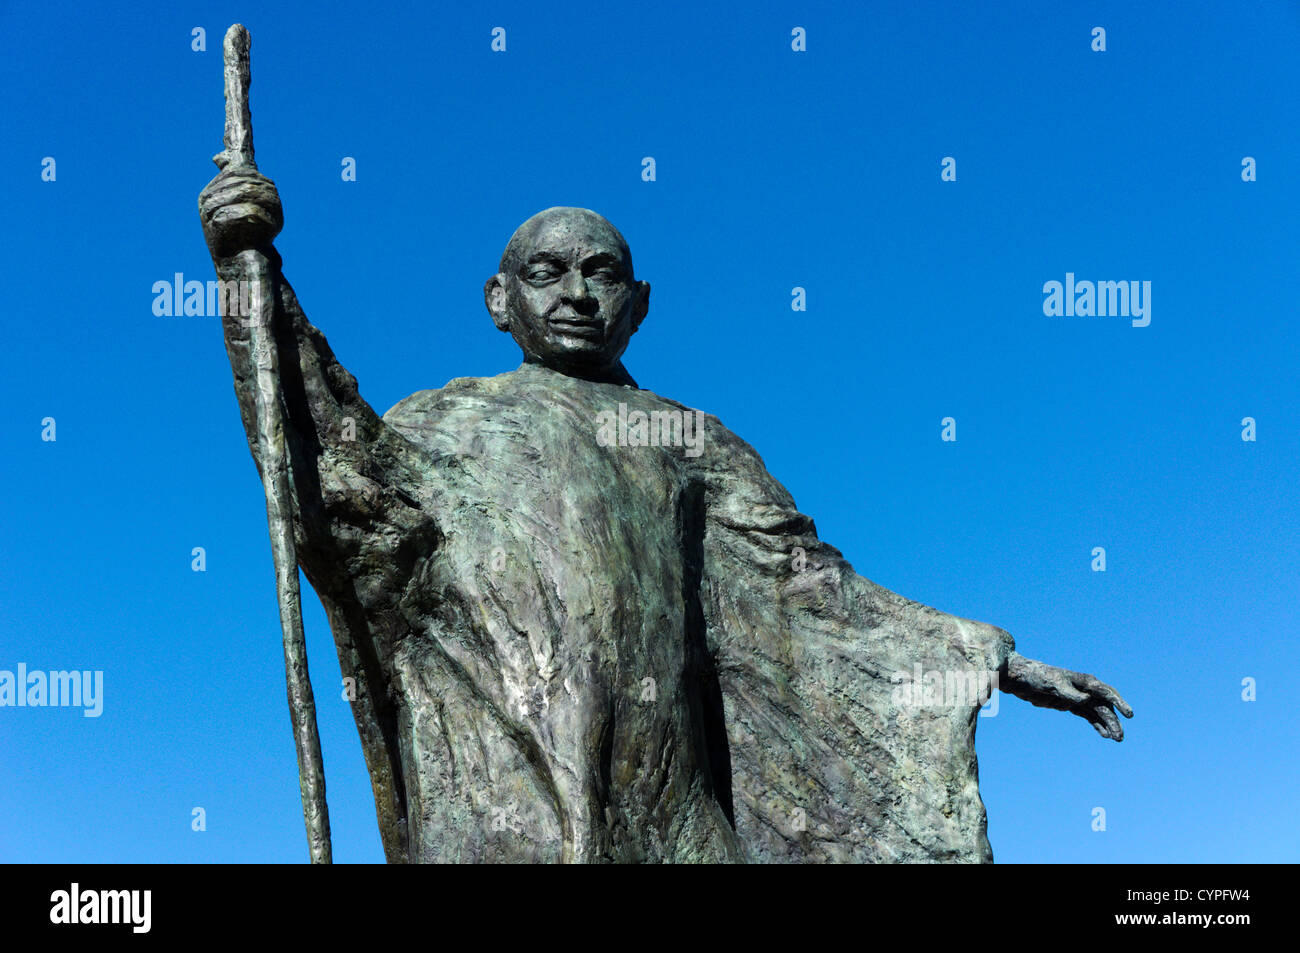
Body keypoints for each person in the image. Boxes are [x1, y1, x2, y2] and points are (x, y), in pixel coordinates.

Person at [199, 169, 1132, 863]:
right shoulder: (437, 425)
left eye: (602, 274)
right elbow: (333, 478)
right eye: (546, 272)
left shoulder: (687, 440)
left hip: (668, 806)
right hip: (498, 791)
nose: (575, 294)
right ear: (499, 299)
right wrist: (252, 281)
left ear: (637, 305)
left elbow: (812, 587)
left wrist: (997, 662)